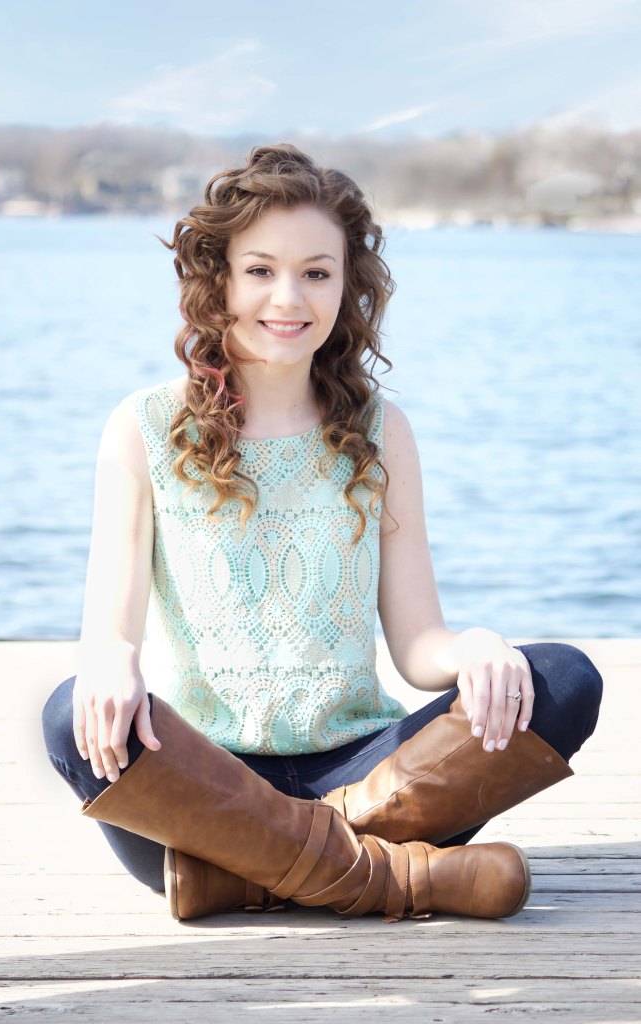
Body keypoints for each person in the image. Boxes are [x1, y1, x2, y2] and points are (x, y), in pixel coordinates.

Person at [42, 144, 602, 923]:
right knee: (69, 714)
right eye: (260, 269)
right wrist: (107, 665)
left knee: (562, 682)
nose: (288, 296)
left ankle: (243, 876)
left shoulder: (380, 431)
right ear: (220, 281)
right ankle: (411, 878)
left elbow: (416, 642)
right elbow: (109, 632)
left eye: (316, 271)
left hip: (366, 766)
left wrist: (471, 646)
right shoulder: (144, 427)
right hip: (208, 776)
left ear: (347, 285)